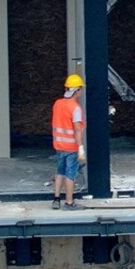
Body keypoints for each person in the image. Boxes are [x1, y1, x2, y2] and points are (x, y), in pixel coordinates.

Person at [51, 74, 86, 210]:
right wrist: (80, 147)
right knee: (70, 174)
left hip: (58, 144)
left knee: (60, 171)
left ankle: (56, 199)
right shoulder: (75, 108)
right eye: (80, 89)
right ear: (76, 91)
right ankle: (69, 202)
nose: (81, 91)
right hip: (71, 146)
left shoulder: (58, 104)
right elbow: (77, 129)